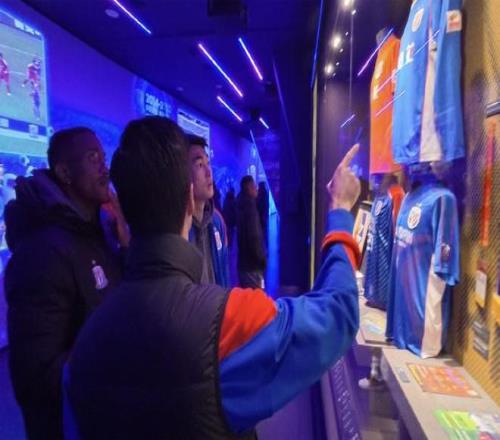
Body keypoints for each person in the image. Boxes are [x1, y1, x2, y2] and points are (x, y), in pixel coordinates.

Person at [64, 116, 361, 439]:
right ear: (188, 199)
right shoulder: (229, 322)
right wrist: (340, 209)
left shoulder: (85, 344)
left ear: (121, 206)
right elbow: (337, 314)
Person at [5, 127, 128, 439]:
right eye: (93, 158)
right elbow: (36, 378)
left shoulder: (98, 234)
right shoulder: (41, 253)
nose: (105, 168)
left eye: (103, 158)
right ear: (64, 173)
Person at [186, 134, 230, 287]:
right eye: (199, 165)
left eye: (208, 163)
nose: (209, 172)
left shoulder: (217, 221)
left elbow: (224, 276)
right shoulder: (178, 228)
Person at [237, 175, 266, 288]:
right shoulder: (250, 208)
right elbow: (255, 237)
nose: (256, 188)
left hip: (243, 265)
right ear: (249, 188)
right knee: (258, 295)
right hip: (253, 266)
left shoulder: (241, 204)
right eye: (254, 186)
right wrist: (262, 259)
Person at [257, 181, 269, 247]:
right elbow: (266, 204)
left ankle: (261, 243)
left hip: (260, 214)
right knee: (264, 228)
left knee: (261, 228)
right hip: (264, 213)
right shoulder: (265, 192)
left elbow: (259, 204)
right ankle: (265, 243)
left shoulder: (260, 193)